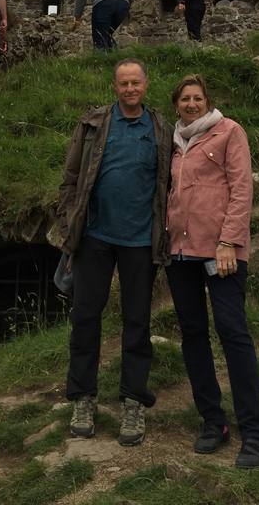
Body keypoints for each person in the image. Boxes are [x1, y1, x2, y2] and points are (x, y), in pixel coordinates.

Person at [58, 58, 172, 447]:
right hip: (95, 237)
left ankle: (133, 401)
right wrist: (67, 219)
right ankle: (83, 398)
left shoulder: (161, 129)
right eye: (123, 83)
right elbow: (71, 176)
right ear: (114, 86)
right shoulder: (92, 124)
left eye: (135, 83)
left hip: (141, 241)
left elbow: (172, 184)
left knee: (137, 322)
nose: (129, 89)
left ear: (146, 84)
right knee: (85, 317)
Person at [165, 73, 259, 469]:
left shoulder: (229, 132)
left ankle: (254, 434)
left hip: (222, 252)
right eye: (184, 99)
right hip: (180, 252)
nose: (191, 104)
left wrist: (229, 242)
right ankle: (214, 422)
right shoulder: (173, 143)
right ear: (176, 104)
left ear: (208, 100)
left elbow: (242, 189)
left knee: (233, 332)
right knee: (193, 334)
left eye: (198, 98)